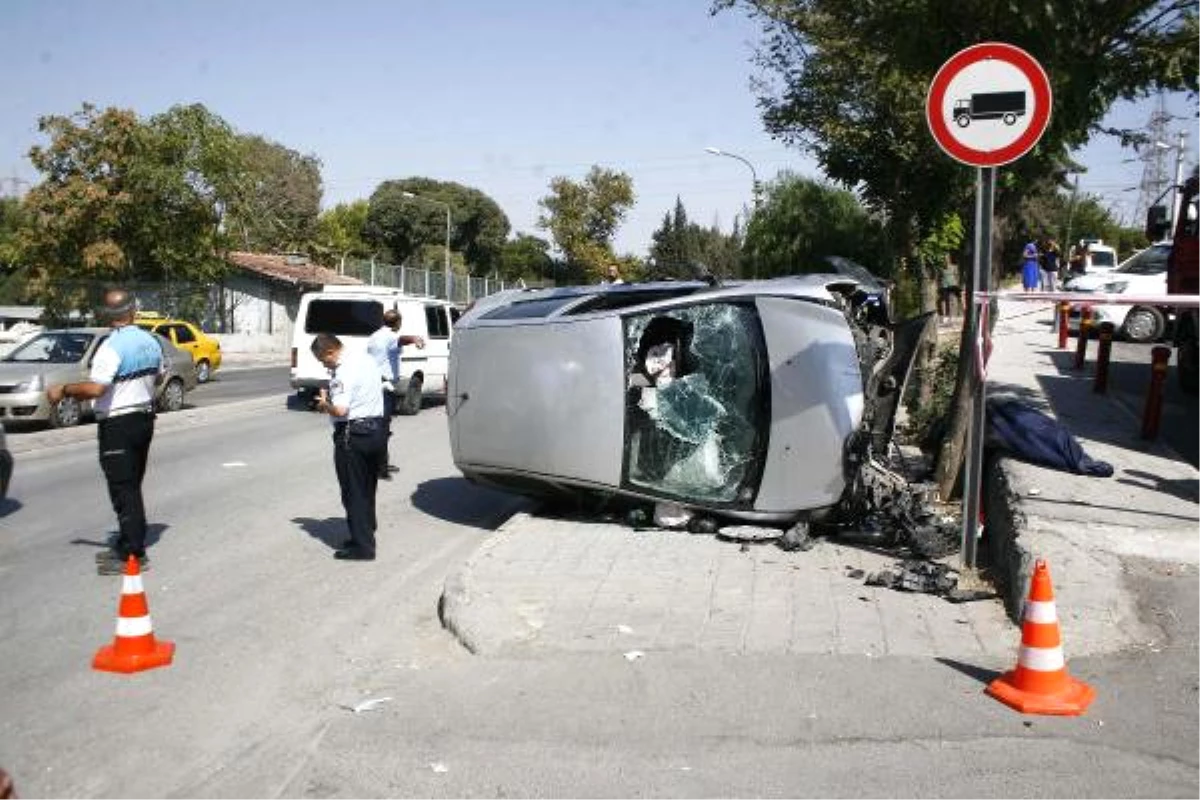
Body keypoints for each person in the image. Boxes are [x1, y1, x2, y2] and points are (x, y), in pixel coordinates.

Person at [47, 289, 164, 575]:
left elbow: (97, 388)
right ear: (133, 311)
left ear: (106, 315)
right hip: (144, 419)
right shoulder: (151, 341)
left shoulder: (111, 347)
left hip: (118, 424)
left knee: (123, 489)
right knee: (132, 484)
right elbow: (159, 375)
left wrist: (65, 390)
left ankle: (133, 554)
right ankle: (128, 542)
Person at [312, 332, 387, 561]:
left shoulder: (343, 371)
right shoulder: (366, 359)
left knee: (353, 491)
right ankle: (364, 532)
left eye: (324, 361)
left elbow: (341, 410)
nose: (325, 366)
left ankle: (363, 547)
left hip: (352, 435)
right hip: (376, 430)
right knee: (367, 487)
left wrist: (325, 404)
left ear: (331, 351)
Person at [365, 310, 425, 480]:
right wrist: (414, 339)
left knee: (381, 427)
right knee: (382, 428)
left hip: (375, 384)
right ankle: (380, 468)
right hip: (383, 387)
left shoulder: (376, 335)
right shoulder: (390, 336)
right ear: (397, 323)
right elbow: (400, 340)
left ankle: (381, 462)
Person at [937, 254, 962, 322]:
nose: (945, 260)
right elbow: (939, 278)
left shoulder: (954, 267)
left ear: (949, 259)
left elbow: (957, 276)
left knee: (956, 299)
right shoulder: (940, 268)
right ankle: (945, 316)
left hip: (953, 285)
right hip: (944, 286)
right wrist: (939, 286)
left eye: (947, 259)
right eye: (944, 259)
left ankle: (956, 314)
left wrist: (958, 284)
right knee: (944, 300)